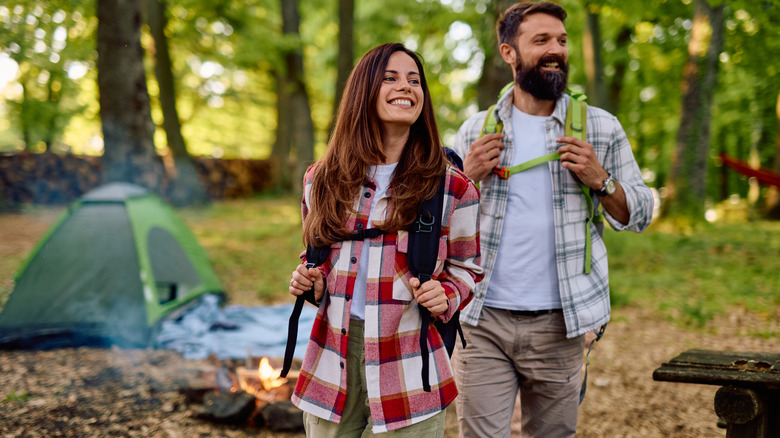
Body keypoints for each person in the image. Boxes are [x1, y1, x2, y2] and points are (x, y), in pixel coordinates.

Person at [450, 2, 654, 437]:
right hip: (481, 319)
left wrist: (602, 180)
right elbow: (436, 223)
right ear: (509, 52)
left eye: (561, 41)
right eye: (540, 40)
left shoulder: (599, 127)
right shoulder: (474, 131)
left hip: (561, 324)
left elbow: (641, 213)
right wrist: (465, 178)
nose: (555, 50)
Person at [287, 42, 483, 437]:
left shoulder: (452, 187)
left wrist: (446, 294)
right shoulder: (320, 179)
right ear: (363, 91)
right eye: (390, 78)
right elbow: (319, 255)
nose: (406, 87)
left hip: (410, 362)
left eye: (415, 80)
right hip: (333, 361)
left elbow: (468, 268)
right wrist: (312, 280)